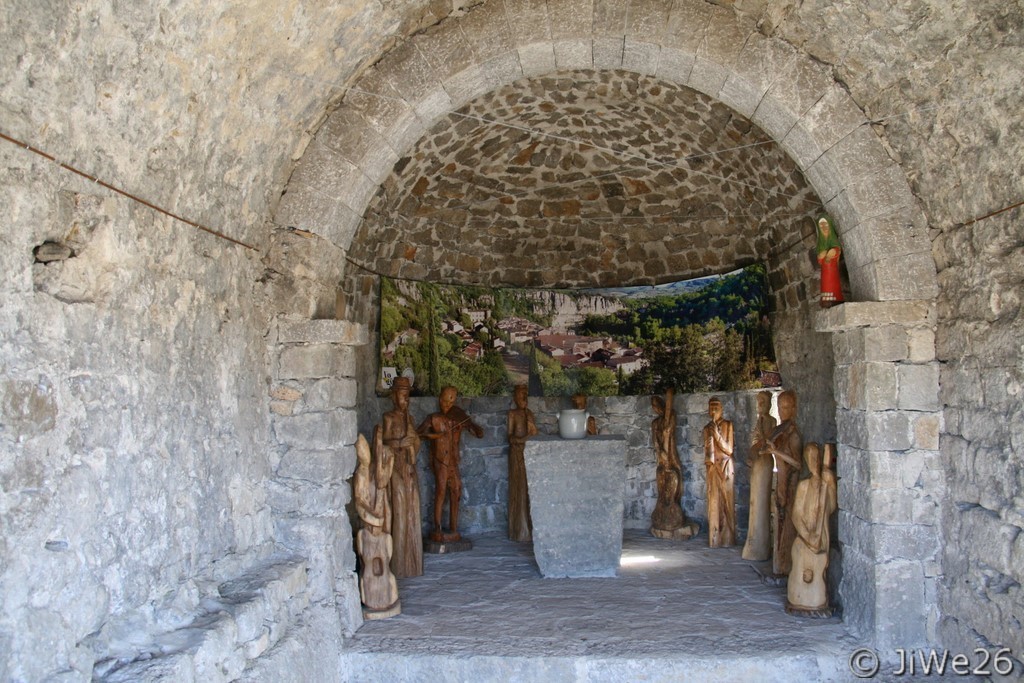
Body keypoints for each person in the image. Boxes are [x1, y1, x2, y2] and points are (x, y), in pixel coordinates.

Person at [418, 386, 484, 543]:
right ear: (440, 399)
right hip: (440, 461)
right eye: (445, 401)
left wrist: (473, 427)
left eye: (451, 401)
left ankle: (454, 527)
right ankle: (437, 526)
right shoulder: (433, 418)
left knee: (456, 491)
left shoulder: (458, 418)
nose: (448, 405)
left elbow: (477, 432)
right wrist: (435, 435)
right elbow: (419, 433)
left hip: (453, 462)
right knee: (440, 491)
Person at [787, 442, 838, 616]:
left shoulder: (824, 483)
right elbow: (796, 514)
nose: (812, 461)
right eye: (809, 458)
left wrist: (829, 481)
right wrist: (807, 535)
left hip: (820, 535)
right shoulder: (803, 486)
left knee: (819, 568)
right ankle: (799, 598)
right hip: (805, 536)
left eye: (815, 457)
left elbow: (830, 507)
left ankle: (816, 601)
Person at [353, 431, 400, 618]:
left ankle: (388, 596)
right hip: (371, 524)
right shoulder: (362, 474)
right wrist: (373, 519)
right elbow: (359, 501)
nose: (365, 454)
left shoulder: (372, 471)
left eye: (366, 450)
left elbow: (382, 481)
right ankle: (373, 598)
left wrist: (389, 462)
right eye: (362, 451)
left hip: (380, 521)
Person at [381, 376, 423, 578]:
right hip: (395, 469)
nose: (406, 400)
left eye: (408, 396)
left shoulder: (411, 419)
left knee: (412, 510)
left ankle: (412, 559)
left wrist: (413, 442)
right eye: (402, 395)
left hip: (409, 469)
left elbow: (416, 444)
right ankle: (398, 562)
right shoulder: (389, 417)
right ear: (394, 396)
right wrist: (400, 443)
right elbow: (384, 443)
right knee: (399, 509)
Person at [760, 389, 802, 576]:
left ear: (794, 408)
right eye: (780, 407)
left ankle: (784, 563)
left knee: (787, 524)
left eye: (786, 407)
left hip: (790, 481)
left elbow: (798, 463)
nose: (783, 411)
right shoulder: (780, 430)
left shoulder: (793, 434)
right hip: (781, 481)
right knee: (779, 520)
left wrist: (776, 452)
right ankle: (779, 561)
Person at [742, 391, 777, 561]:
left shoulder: (770, 421)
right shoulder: (759, 421)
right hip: (757, 461)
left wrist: (759, 437)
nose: (760, 405)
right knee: (754, 501)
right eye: (758, 402)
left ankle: (760, 546)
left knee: (761, 500)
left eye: (763, 401)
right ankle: (753, 542)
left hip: (764, 461)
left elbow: (765, 440)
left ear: (770, 403)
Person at [650, 389, 687, 535]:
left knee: (675, 475)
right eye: (653, 406)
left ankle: (673, 505)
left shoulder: (671, 415)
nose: (655, 408)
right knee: (662, 478)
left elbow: (670, 428)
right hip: (662, 455)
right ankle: (662, 506)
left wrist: (667, 431)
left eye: (656, 405)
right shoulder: (655, 423)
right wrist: (660, 452)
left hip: (671, 452)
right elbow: (655, 440)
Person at [506, 384, 538, 542]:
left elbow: (534, 435)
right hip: (517, 455)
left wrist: (530, 432)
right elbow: (510, 437)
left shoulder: (529, 414)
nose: (524, 399)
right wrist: (520, 440)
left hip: (530, 454)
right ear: (515, 398)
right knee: (519, 489)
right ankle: (519, 529)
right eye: (520, 396)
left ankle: (531, 527)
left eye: (526, 395)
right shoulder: (512, 414)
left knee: (530, 490)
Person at [703, 397, 736, 547]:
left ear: (722, 408)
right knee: (714, 503)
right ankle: (714, 538)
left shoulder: (728, 425)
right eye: (711, 407)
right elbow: (707, 451)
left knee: (727, 504)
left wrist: (716, 434)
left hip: (725, 468)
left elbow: (729, 449)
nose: (714, 410)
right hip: (712, 469)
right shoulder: (706, 428)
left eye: (716, 406)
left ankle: (728, 538)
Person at [816, 214, 844, 308]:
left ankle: (836, 299)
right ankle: (825, 301)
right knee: (825, 285)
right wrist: (821, 256)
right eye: (821, 226)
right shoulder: (821, 243)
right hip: (825, 269)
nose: (824, 228)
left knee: (833, 284)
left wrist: (829, 255)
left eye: (825, 225)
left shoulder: (833, 240)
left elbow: (836, 249)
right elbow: (819, 259)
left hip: (832, 268)